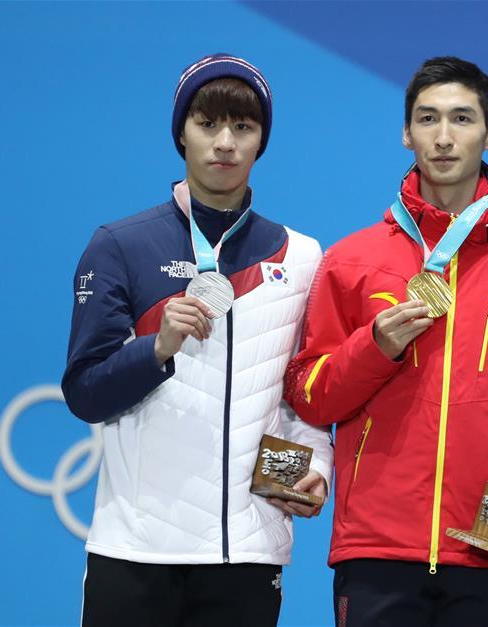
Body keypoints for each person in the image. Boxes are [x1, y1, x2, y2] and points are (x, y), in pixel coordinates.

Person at [284, 56, 488, 626]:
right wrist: (373, 348)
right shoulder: (351, 262)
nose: (444, 138)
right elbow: (310, 394)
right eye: (427, 120)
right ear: (406, 133)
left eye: (462, 120)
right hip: (377, 549)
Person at [62, 53, 332, 627]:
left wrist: (318, 471)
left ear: (262, 141)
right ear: (181, 134)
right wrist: (155, 348)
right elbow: (86, 392)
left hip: (248, 553)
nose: (225, 143)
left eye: (243, 127)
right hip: (135, 551)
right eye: (208, 124)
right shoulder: (119, 245)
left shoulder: (303, 257)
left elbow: (303, 398)